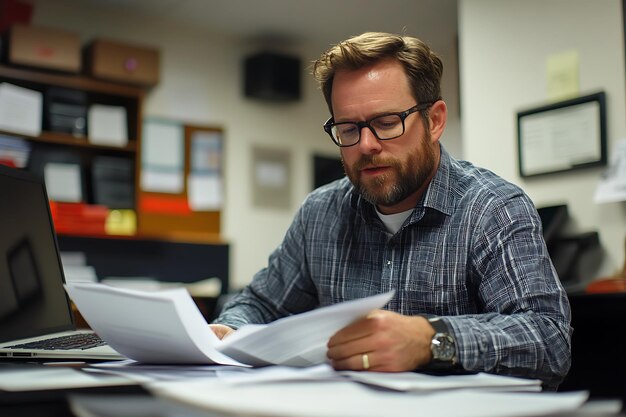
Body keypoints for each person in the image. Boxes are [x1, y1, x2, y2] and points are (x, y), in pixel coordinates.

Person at [211, 32, 571, 390]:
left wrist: (432, 340)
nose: (366, 145)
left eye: (386, 122)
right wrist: (229, 330)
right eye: (348, 128)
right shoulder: (320, 214)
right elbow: (260, 303)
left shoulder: (492, 209)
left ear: (434, 121)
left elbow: (548, 339)